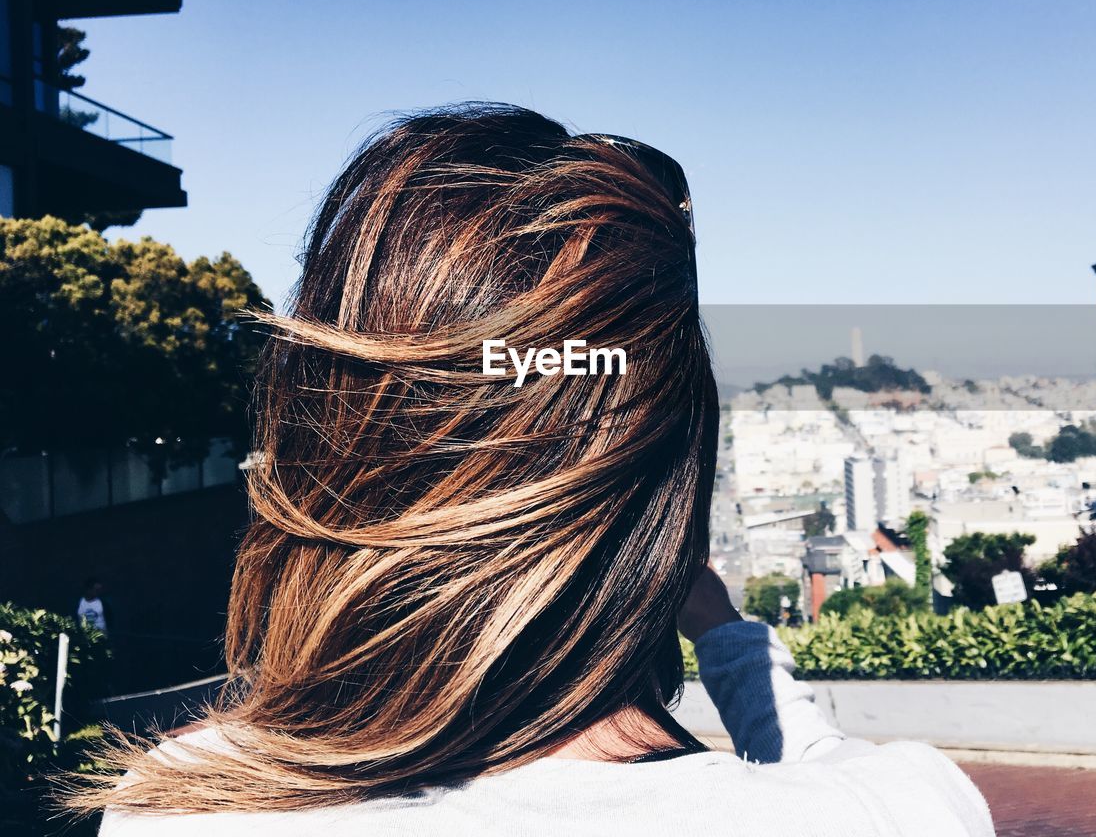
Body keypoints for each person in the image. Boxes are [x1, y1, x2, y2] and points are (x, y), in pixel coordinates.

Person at [75, 104, 994, 836]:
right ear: (666, 476)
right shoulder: (896, 811)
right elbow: (826, 774)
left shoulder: (181, 804)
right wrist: (722, 634)